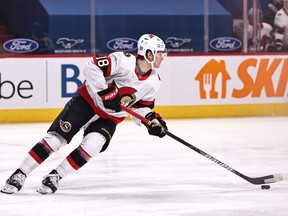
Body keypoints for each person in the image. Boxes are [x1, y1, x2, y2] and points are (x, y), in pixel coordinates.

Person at [1, 33, 168, 194]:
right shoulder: (123, 61)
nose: (163, 56)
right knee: (55, 139)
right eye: (160, 52)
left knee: (93, 145)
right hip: (87, 102)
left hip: (109, 118)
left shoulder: (154, 82)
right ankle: (20, 173)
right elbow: (92, 66)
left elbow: (139, 107)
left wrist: (151, 120)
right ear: (148, 53)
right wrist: (105, 92)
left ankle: (55, 176)